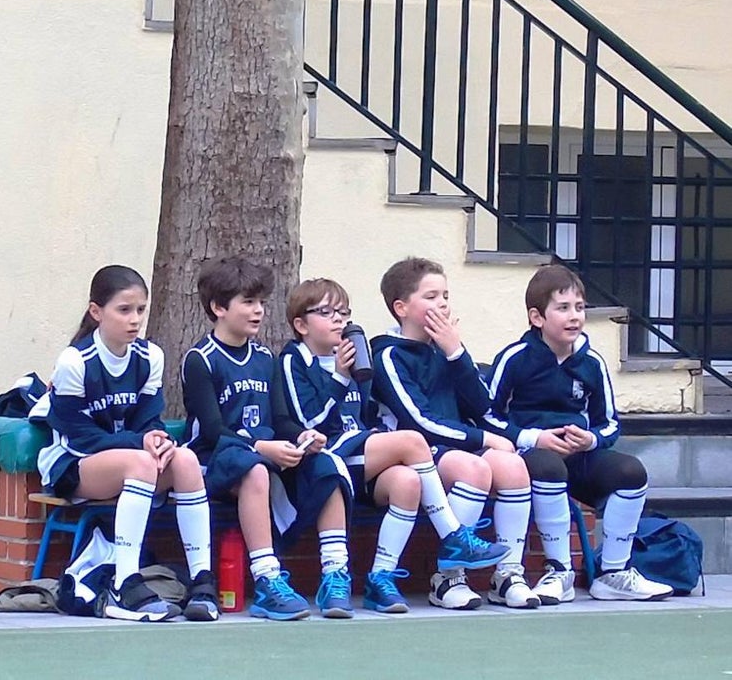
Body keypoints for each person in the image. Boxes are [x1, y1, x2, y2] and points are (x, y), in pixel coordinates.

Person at [278, 277, 510, 613]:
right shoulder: (294, 359)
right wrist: (340, 379)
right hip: (325, 458)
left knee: (408, 480)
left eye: (344, 312)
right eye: (326, 313)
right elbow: (311, 423)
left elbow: (365, 416)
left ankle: (380, 578)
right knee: (413, 441)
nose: (339, 321)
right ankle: (454, 536)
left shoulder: (359, 357)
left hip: (360, 456)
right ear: (301, 324)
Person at [32, 265, 219, 622]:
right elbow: (80, 438)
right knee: (142, 463)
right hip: (75, 464)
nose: (135, 320)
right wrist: (141, 443)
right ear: (96, 312)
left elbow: (150, 421)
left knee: (185, 461)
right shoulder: (75, 362)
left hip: (132, 461)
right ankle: (125, 581)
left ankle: (202, 581)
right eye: (124, 310)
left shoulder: (151, 357)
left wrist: (159, 440)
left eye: (140, 310)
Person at [486, 264, 673, 602]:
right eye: (563, 308)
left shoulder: (592, 363)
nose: (574, 317)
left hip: (579, 456)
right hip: (530, 457)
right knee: (548, 465)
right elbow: (486, 416)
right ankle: (560, 572)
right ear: (537, 317)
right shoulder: (515, 358)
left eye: (580, 307)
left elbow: (611, 423)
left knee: (631, 472)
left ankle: (613, 573)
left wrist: (592, 440)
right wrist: (533, 438)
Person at [181, 257, 354, 620]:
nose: (258, 310)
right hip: (216, 458)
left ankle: (335, 573)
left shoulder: (264, 357)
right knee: (255, 470)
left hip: (265, 454)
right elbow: (212, 431)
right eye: (248, 302)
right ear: (218, 308)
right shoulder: (200, 359)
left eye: (261, 302)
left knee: (325, 465)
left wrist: (302, 436)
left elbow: (279, 420)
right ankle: (267, 579)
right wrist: (262, 448)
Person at [370, 257, 539, 610]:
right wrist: (482, 439)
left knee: (512, 467)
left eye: (446, 295)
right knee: (474, 467)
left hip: (454, 445)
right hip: (416, 454)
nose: (443, 304)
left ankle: (508, 574)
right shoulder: (388, 353)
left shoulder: (446, 348)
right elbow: (418, 420)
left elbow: (481, 405)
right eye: (431, 296)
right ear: (401, 308)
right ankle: (449, 578)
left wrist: (455, 352)